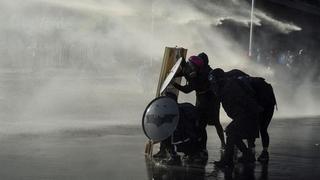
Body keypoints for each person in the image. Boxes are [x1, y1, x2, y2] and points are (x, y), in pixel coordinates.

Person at [172, 54, 226, 158]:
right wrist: (175, 72)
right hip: (201, 99)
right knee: (201, 125)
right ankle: (202, 148)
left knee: (213, 123)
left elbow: (187, 89)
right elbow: (186, 72)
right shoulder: (197, 71)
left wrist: (174, 84)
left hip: (210, 101)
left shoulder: (205, 73)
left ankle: (222, 144)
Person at [209, 68, 260, 168]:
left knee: (231, 131)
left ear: (219, 80)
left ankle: (228, 160)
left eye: (214, 82)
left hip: (247, 115)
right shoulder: (226, 87)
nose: (213, 85)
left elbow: (244, 103)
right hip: (244, 115)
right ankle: (247, 155)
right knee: (232, 134)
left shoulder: (230, 88)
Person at [153, 92, 203, 164]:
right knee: (165, 133)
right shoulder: (180, 108)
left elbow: (184, 129)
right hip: (189, 139)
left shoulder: (178, 111)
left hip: (186, 140)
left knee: (167, 133)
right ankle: (168, 153)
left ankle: (176, 156)